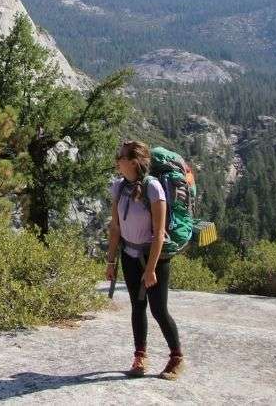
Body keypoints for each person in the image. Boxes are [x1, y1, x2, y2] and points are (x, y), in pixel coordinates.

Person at [105, 140, 184, 380]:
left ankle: (176, 357)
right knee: (138, 307)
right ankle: (140, 357)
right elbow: (115, 228)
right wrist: (111, 262)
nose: (117, 160)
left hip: (154, 258)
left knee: (159, 310)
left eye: (121, 157)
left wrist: (150, 269)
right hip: (129, 255)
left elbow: (159, 233)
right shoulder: (118, 187)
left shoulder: (154, 189)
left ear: (133, 162)